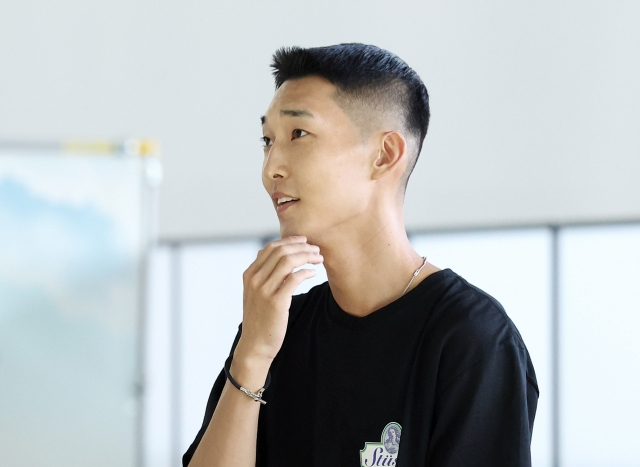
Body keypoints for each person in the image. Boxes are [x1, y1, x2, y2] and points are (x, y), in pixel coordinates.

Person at [183, 43, 538, 467]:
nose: (271, 168)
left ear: (384, 155)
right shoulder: (275, 331)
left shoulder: (472, 340)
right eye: (266, 140)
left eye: (298, 135)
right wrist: (253, 355)